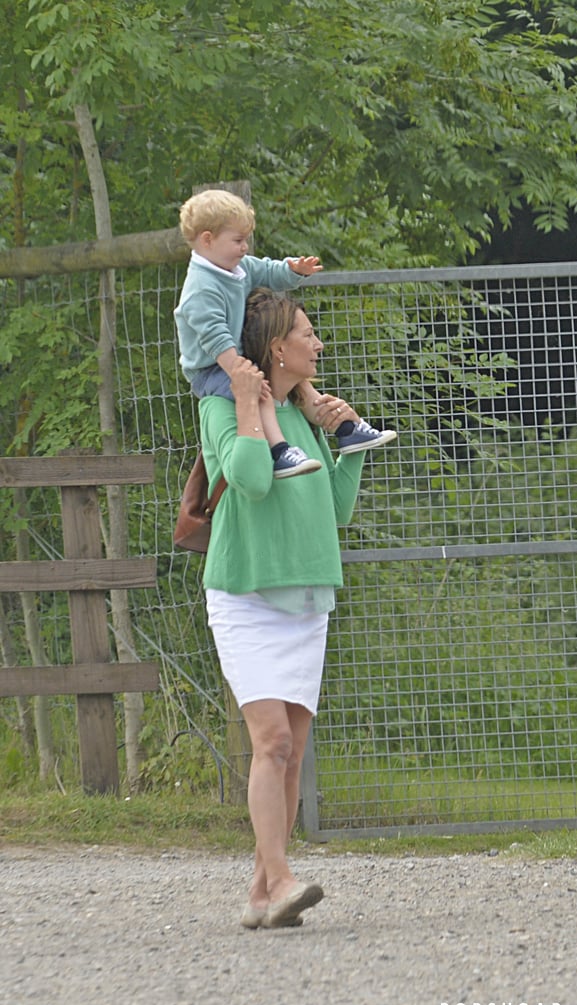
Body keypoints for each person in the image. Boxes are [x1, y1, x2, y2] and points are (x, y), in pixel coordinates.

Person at [199, 287, 374, 929]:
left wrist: (348, 444)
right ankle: (281, 881)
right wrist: (249, 404)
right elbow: (248, 479)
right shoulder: (221, 408)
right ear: (278, 348)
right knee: (269, 741)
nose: (317, 343)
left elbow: (334, 513)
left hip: (307, 597)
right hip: (246, 595)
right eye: (307, 333)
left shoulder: (305, 416)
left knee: (291, 754)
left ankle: (259, 892)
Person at [174, 188, 396, 479]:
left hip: (233, 354)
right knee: (260, 391)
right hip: (212, 368)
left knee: (300, 384)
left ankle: (346, 429)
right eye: (238, 241)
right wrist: (242, 373)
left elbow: (267, 270)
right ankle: (279, 451)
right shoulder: (201, 287)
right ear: (207, 239)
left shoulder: (234, 267)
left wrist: (294, 270)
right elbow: (213, 336)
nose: (244, 248)